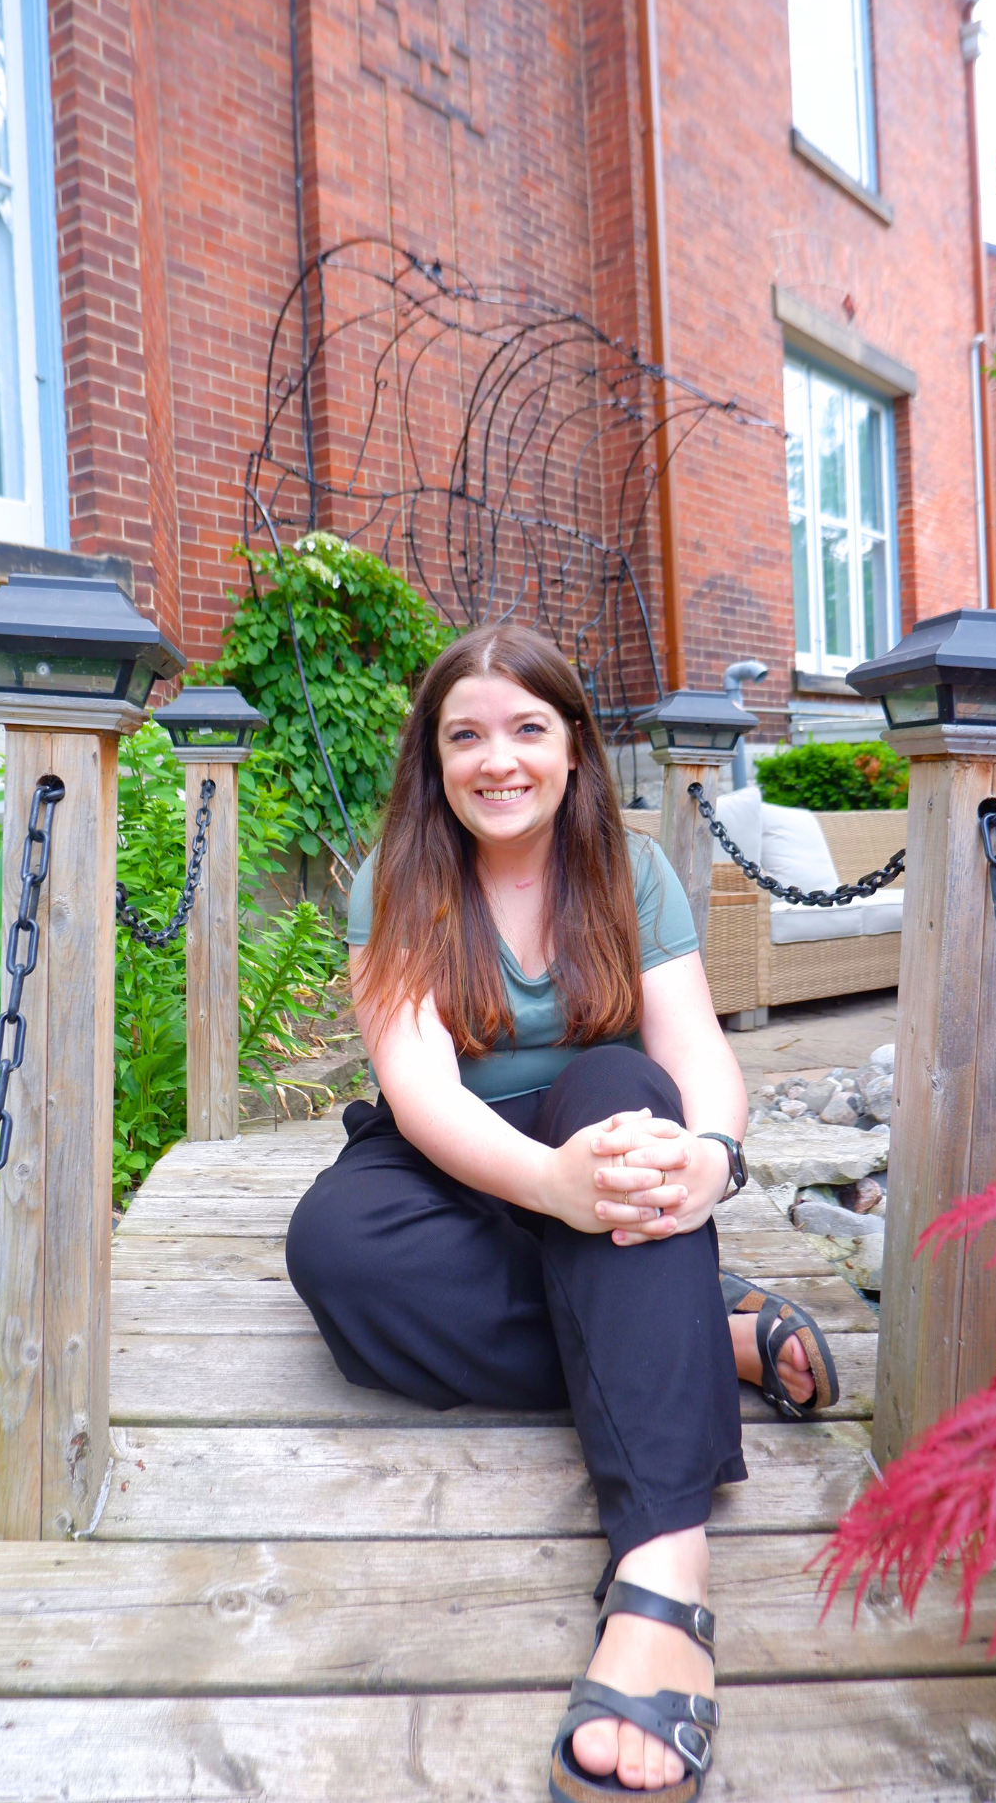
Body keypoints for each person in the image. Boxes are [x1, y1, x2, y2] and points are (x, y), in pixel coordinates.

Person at [286, 625, 838, 1799]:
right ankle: (696, 1325)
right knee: (337, 1256)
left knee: (634, 1096)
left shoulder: (630, 874)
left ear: (576, 748)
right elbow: (420, 1088)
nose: (500, 761)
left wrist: (714, 1158)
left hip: (602, 1129)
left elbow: (695, 1054)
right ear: (433, 760)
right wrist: (548, 1189)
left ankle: (665, 1574)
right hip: (464, 1154)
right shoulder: (398, 877)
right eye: (466, 735)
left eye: (528, 729)